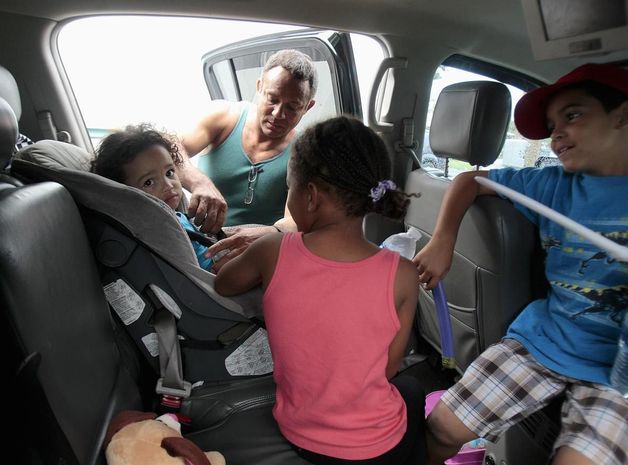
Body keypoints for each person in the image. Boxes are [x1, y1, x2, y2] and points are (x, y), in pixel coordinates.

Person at [414, 63, 628, 465]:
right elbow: (470, 181)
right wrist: (442, 240)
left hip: (626, 369)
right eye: (553, 123)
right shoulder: (551, 185)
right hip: (545, 339)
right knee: (440, 427)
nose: (556, 133)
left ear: (624, 117)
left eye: (572, 115)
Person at [214, 116, 425, 464]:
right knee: (413, 390)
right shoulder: (402, 273)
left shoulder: (272, 250)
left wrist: (249, 257)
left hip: (302, 436)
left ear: (310, 196)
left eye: (289, 188)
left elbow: (224, 283)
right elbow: (387, 370)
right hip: (380, 446)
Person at [178, 49, 317, 241]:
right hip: (200, 243)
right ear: (259, 87)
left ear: (307, 107)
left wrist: (264, 236)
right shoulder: (223, 116)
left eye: (292, 107)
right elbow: (169, 146)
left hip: (260, 253)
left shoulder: (305, 153)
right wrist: (199, 183)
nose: (278, 114)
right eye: (272, 99)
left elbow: (295, 221)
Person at [91, 124, 215, 272]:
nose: (168, 185)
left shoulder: (176, 216)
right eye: (149, 182)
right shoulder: (160, 233)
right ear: (124, 195)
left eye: (169, 172)